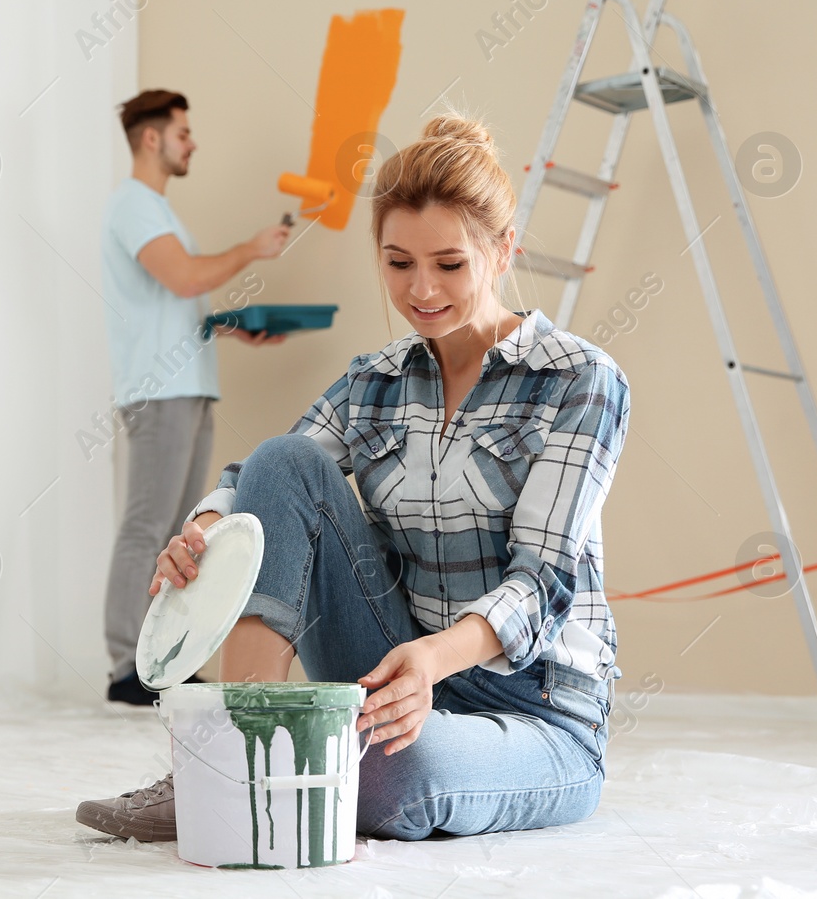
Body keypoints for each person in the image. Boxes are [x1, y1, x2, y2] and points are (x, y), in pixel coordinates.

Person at [76, 112, 631, 843]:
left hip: (534, 708)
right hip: (395, 668)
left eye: (449, 264)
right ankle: (228, 763)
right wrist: (206, 530)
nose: (422, 289)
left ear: (503, 251)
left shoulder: (580, 380)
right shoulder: (376, 380)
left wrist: (432, 660)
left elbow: (542, 582)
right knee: (284, 460)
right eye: (399, 263)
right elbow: (263, 479)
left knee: (397, 775)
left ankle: (272, 770)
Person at [99, 89, 293, 706]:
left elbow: (175, 303)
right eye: (183, 132)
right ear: (152, 138)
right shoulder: (134, 205)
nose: (193, 142)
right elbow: (183, 276)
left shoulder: (155, 209)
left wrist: (234, 326)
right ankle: (126, 666)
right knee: (147, 527)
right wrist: (251, 250)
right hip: (160, 390)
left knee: (175, 535)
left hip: (184, 385)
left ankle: (158, 663)